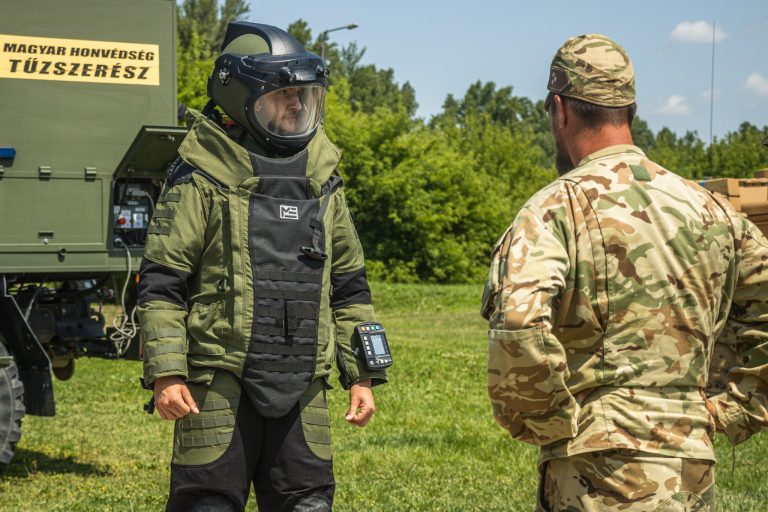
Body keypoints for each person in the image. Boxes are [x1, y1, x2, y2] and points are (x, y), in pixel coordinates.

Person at [481, 33, 768, 511]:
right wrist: (735, 409)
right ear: (630, 111)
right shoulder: (712, 208)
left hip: (599, 471)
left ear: (560, 110)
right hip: (691, 466)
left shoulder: (555, 208)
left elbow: (518, 320)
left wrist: (548, 423)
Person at [138, 22, 388, 512]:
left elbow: (350, 287)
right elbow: (162, 284)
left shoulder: (323, 180)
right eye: (284, 94)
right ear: (241, 99)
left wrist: (362, 374)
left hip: (304, 381)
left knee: (308, 502)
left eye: (304, 94)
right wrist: (166, 373)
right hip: (218, 380)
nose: (297, 104)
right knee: (206, 504)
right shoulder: (201, 176)